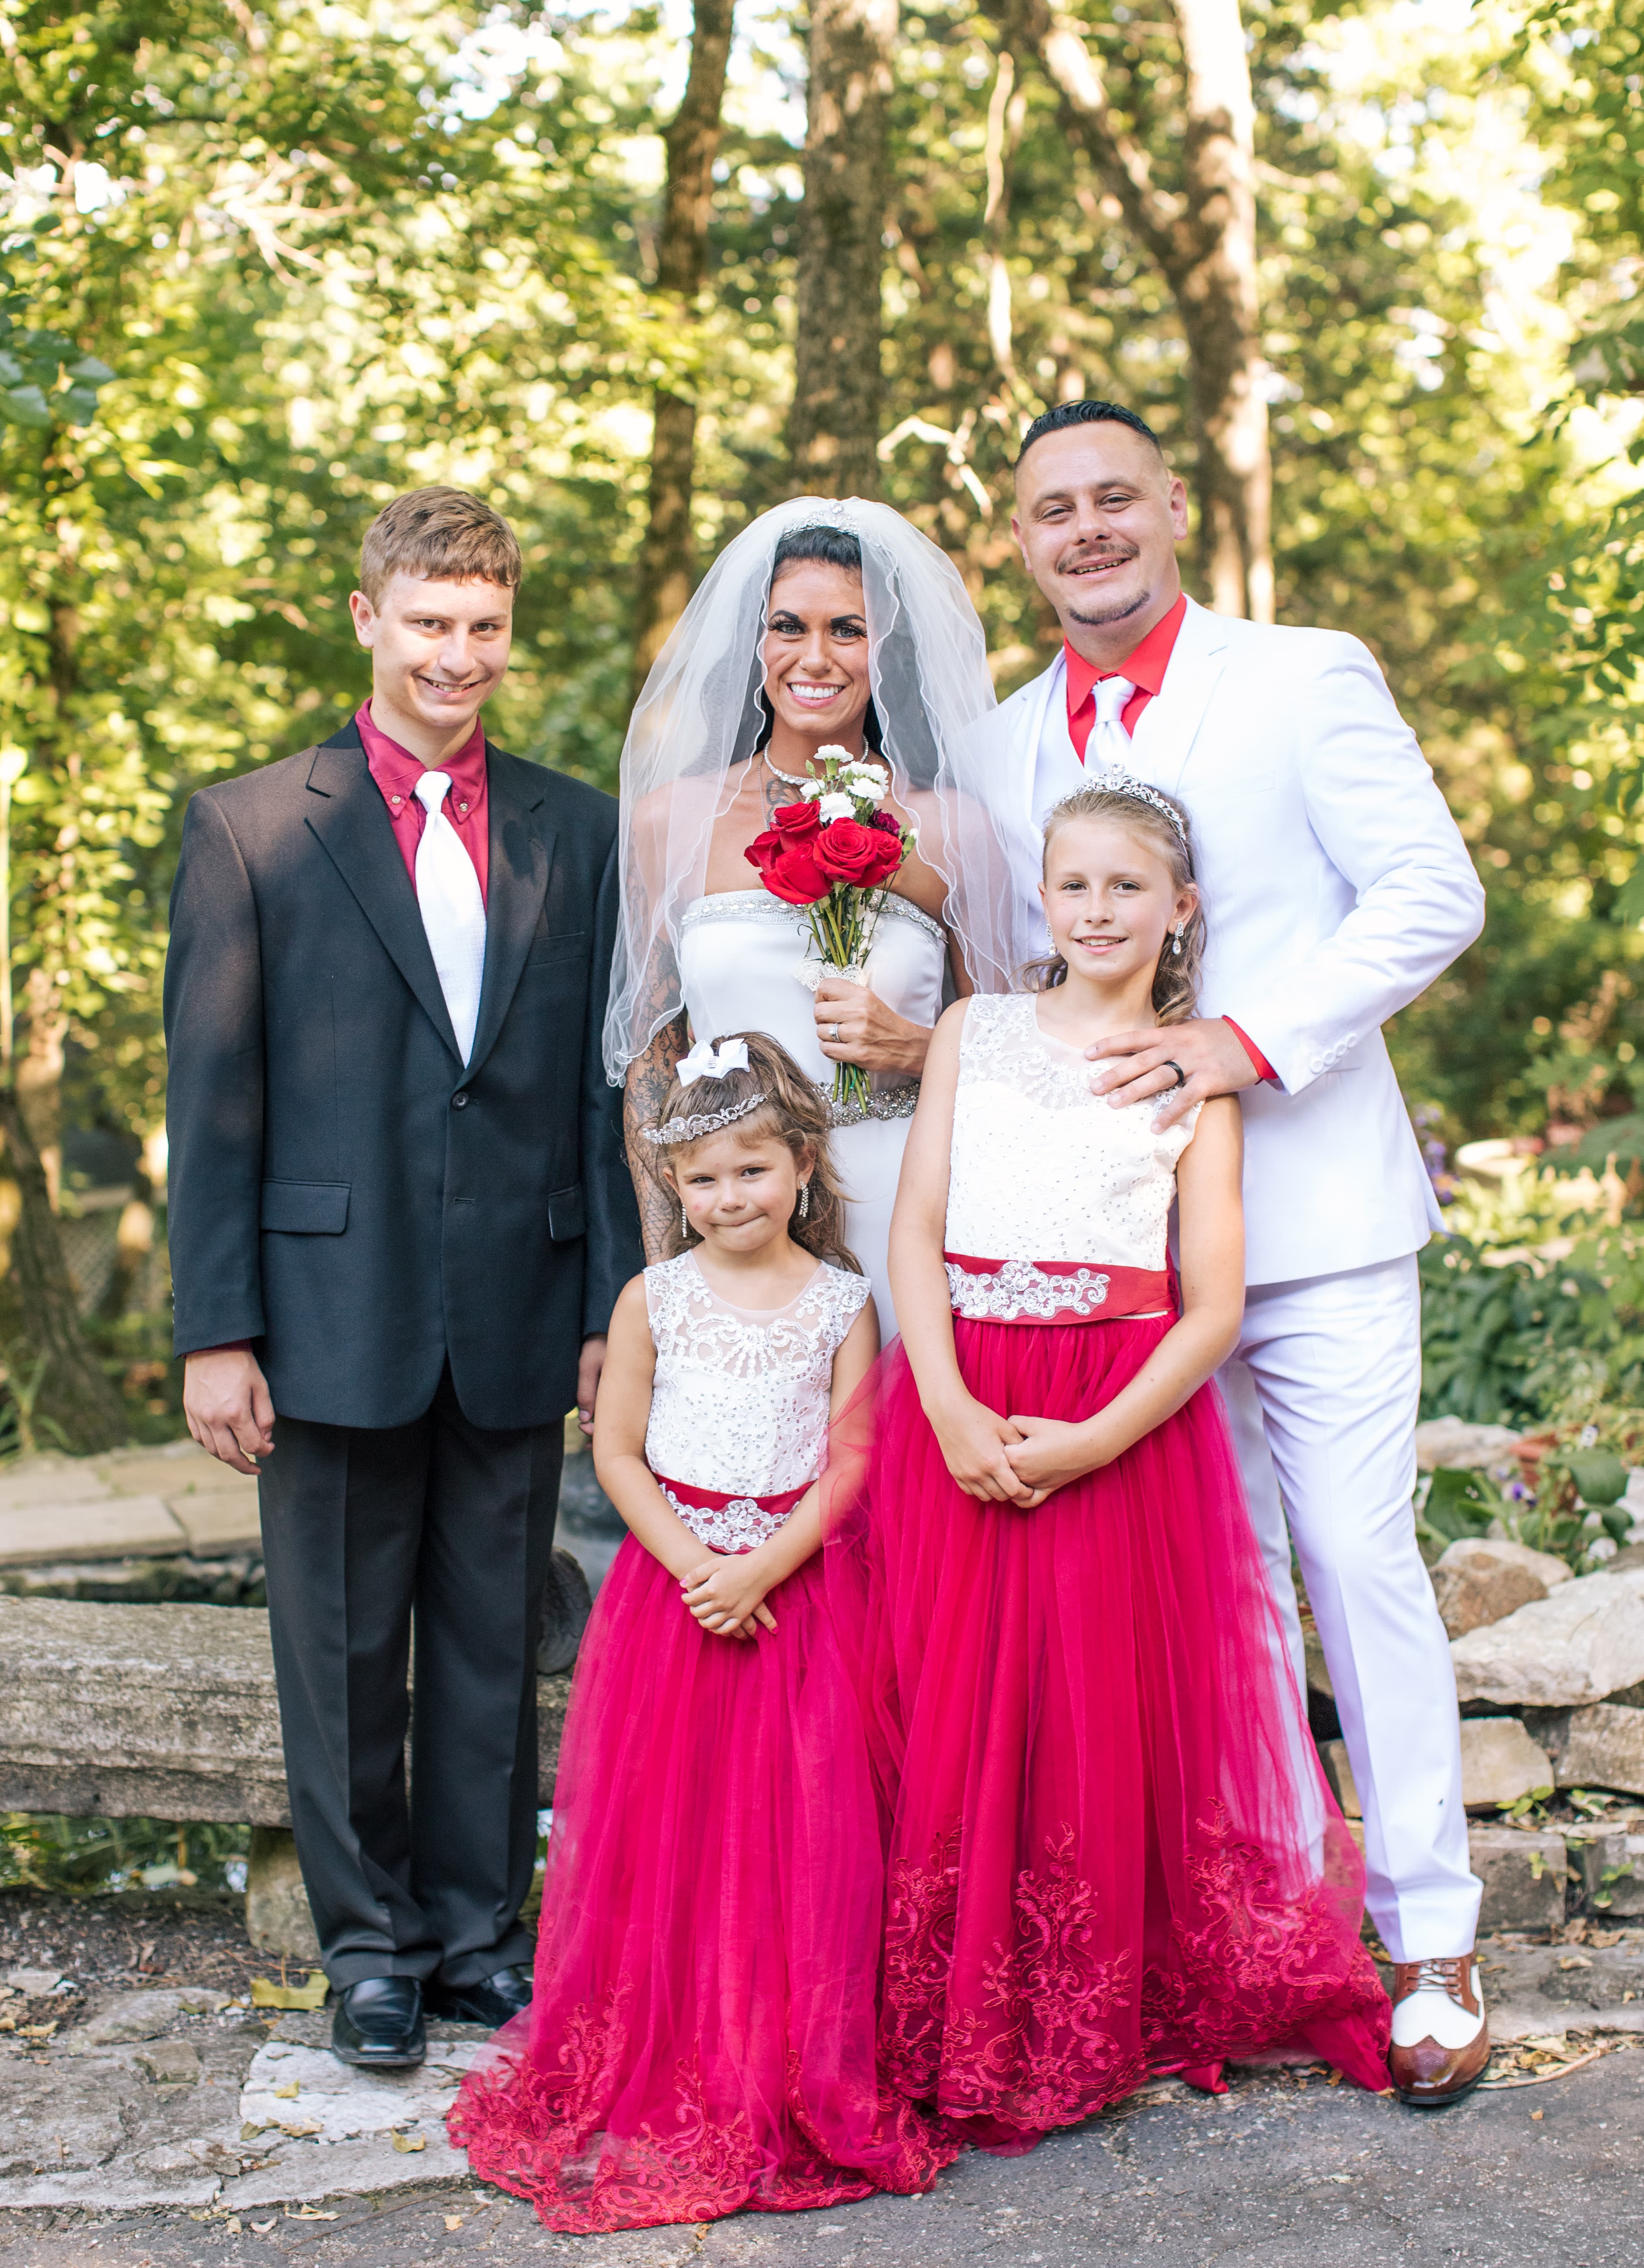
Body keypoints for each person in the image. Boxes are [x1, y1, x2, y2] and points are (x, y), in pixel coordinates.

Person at [949, 399, 1489, 2105]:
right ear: (1018, 541)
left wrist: (1239, 1042)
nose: (1085, 528)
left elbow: (1427, 894)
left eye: (1114, 497)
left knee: (1348, 1560)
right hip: (1106, 1262)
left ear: (1170, 509)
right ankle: (1260, 1938)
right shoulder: (994, 735)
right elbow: (998, 967)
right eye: (1052, 510)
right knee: (1215, 1609)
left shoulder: (1298, 675)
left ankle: (1430, 1940)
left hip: (1311, 1217)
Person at [827, 782, 1390, 2147]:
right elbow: (914, 1229)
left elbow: (1209, 1304)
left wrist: (1087, 1439)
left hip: (1110, 1413)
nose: (1096, 910)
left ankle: (1088, 2001)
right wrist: (949, 1403)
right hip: (962, 1390)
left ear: (1178, 909)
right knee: (954, 1699)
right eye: (1072, 886)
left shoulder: (1192, 1074)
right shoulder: (975, 1029)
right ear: (1044, 899)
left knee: (1089, 1707)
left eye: (1126, 888)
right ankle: (950, 1998)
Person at [164, 488, 640, 2070]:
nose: (457, 655)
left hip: (523, 1293)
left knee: (497, 1637)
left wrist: (608, 1311)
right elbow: (211, 1093)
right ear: (366, 618)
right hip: (320, 1310)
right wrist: (216, 1330)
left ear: (511, 632)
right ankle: (364, 1947)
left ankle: (473, 1936)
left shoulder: (576, 830)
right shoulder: (250, 827)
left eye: (484, 627)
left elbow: (594, 1086)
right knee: (343, 1641)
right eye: (429, 623)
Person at [449, 1031, 956, 2231]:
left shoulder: (843, 1303)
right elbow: (616, 1446)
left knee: (801, 1823)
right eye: (706, 1177)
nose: (731, 1197)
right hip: (675, 1600)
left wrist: (767, 1563)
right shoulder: (652, 1297)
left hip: (799, 1593)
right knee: (670, 1823)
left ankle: (786, 2051)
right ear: (672, 1184)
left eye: (753, 1170)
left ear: (801, 1167)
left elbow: (855, 1456)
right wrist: (694, 1565)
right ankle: (671, 2035)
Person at [607, 497, 1014, 1339]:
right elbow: (653, 1060)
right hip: (733, 1221)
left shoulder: (952, 829)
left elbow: (1020, 1053)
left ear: (885, 650)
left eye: (849, 630)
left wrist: (916, 1047)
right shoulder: (669, 822)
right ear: (753, 642)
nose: (814, 657)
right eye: (788, 626)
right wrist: (667, 1268)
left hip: (908, 1203)